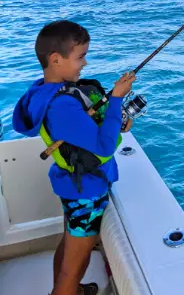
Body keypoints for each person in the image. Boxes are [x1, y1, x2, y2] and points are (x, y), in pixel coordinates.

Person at [13, 20, 135, 295]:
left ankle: (73, 290)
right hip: (85, 192)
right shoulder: (63, 105)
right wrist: (116, 99)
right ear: (56, 59)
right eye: (80, 56)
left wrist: (116, 120)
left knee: (69, 243)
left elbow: (88, 131)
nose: (85, 63)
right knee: (75, 263)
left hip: (71, 186)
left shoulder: (44, 92)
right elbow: (103, 147)